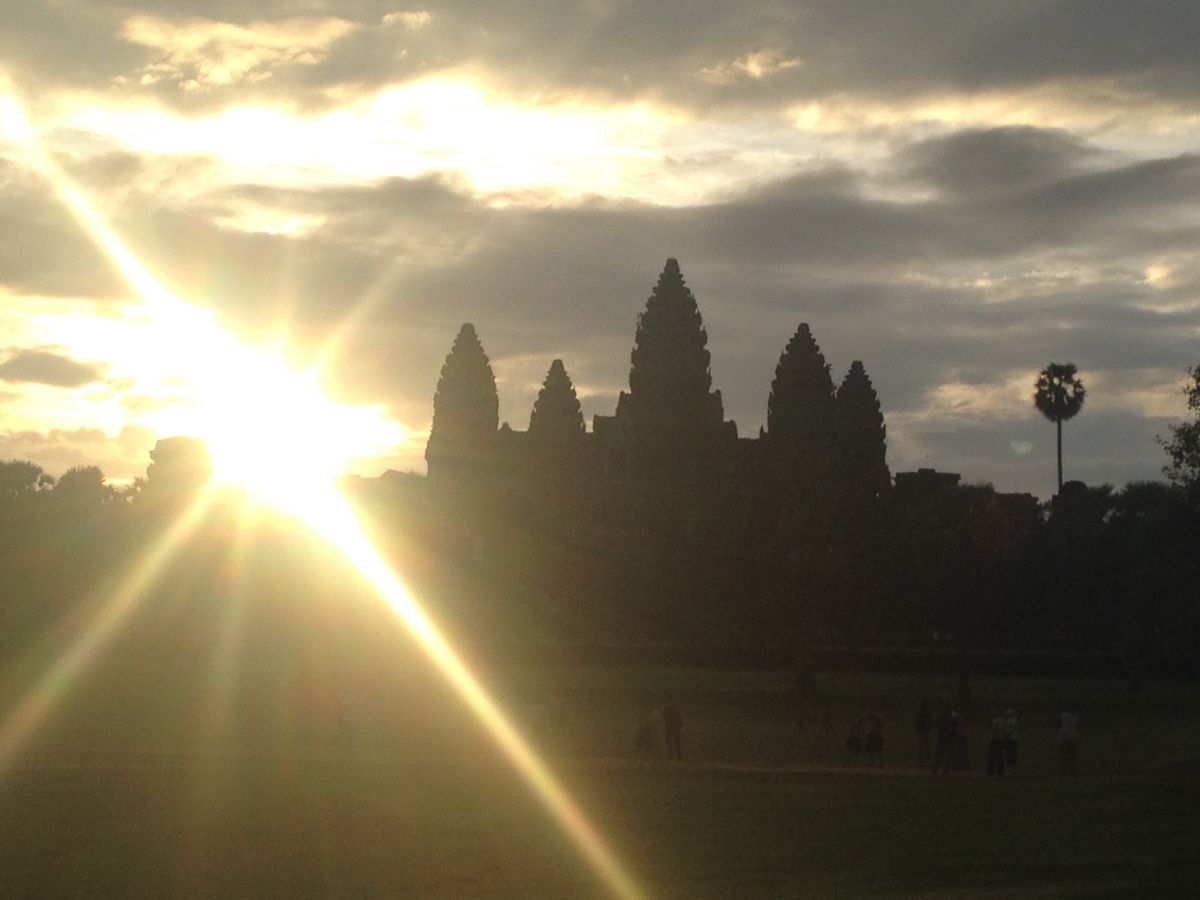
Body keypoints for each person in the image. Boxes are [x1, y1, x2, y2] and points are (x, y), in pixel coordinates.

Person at [932, 704, 957, 775]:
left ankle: (937, 769)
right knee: (945, 754)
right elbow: (954, 728)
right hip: (947, 738)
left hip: (944, 738)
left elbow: (937, 727)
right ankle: (944, 769)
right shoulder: (951, 719)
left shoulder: (941, 718)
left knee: (940, 754)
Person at [1058, 708, 1080, 776]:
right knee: (1072, 756)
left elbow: (1059, 724)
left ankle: (1063, 770)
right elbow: (1079, 727)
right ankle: (1072, 770)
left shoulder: (1064, 716)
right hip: (1072, 737)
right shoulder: (1075, 718)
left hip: (1064, 737)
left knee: (1064, 755)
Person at [986, 709, 1007, 777]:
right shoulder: (1004, 721)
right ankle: (1000, 771)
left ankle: (990, 770)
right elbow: (1005, 732)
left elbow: (993, 731)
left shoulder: (995, 721)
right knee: (1000, 756)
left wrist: (990, 739)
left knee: (992, 756)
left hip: (995, 740)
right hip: (1001, 740)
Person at [915, 700, 933, 769]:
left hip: (924, 732)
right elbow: (918, 723)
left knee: (923, 749)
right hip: (924, 732)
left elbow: (918, 723)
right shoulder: (925, 714)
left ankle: (923, 763)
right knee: (924, 749)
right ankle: (923, 763)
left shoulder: (923, 714)